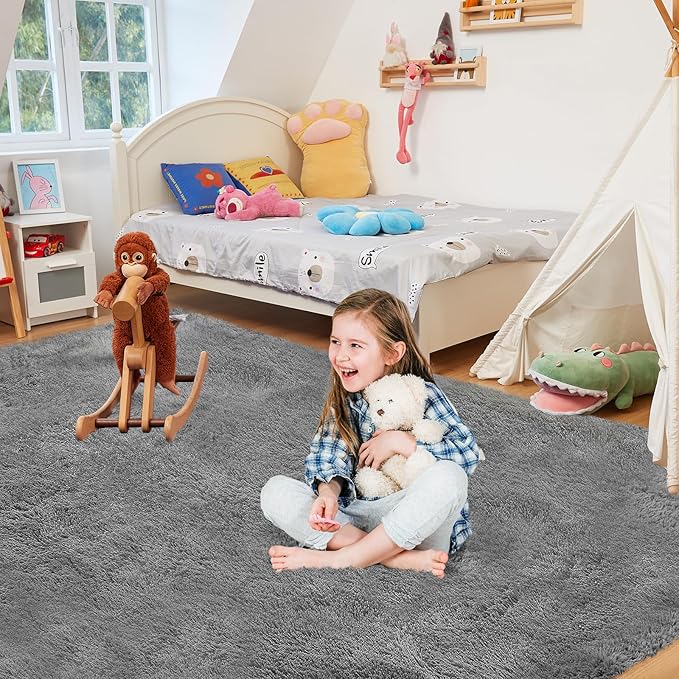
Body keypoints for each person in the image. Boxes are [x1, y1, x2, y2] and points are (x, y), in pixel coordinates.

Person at [260, 288, 482, 578]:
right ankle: (393, 557)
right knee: (274, 492)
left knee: (450, 477)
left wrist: (401, 442)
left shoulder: (422, 394)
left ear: (392, 353)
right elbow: (327, 455)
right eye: (335, 342)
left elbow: (466, 454)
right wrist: (328, 493)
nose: (341, 356)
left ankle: (341, 558)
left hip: (415, 520)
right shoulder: (345, 399)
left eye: (355, 346)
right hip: (358, 514)